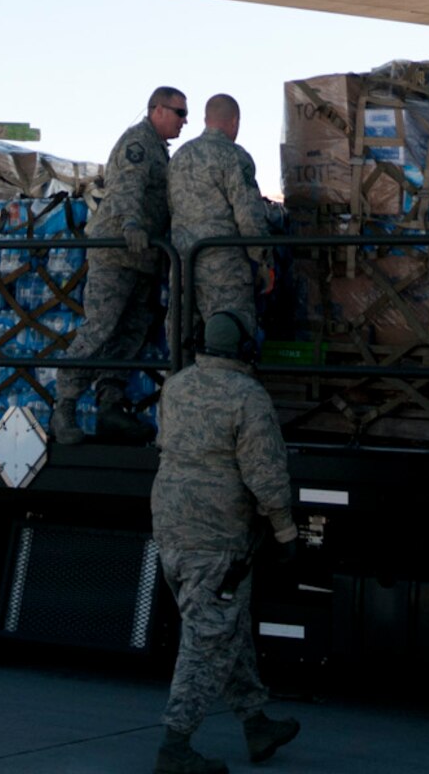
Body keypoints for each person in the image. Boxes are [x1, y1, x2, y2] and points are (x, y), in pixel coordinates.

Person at [150, 311, 301, 774]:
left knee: (223, 629)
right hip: (217, 536)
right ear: (245, 349)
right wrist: (285, 528)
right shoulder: (247, 396)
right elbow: (265, 472)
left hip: (171, 526)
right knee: (207, 637)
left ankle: (255, 723)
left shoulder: (174, 387)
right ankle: (175, 745)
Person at [53, 85, 187, 446]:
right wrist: (130, 225)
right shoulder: (138, 143)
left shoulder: (161, 150)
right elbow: (128, 186)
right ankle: (64, 405)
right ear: (157, 110)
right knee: (100, 328)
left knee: (130, 334)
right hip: (117, 252)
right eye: (179, 113)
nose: (183, 122)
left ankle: (110, 406)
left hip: (143, 257)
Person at [167, 94, 271, 340]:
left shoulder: (179, 157)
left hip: (183, 266)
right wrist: (264, 260)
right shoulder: (234, 156)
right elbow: (249, 217)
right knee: (230, 342)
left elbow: (172, 208)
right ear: (234, 121)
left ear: (205, 120)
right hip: (224, 271)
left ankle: (177, 380)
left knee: (182, 346)